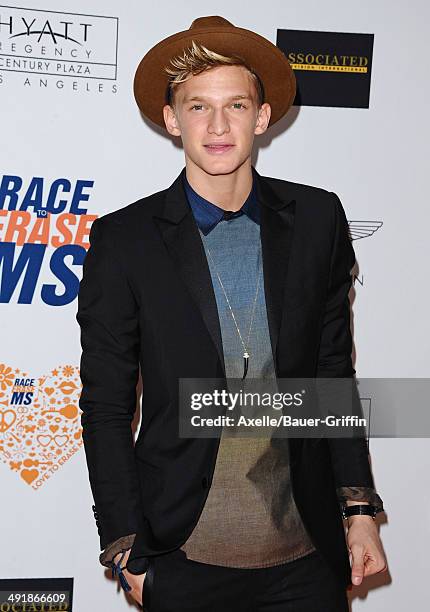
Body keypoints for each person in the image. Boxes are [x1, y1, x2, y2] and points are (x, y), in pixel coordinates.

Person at [76, 15, 388, 612]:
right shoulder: (126, 240)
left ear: (262, 117)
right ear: (172, 119)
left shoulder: (318, 220)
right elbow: (107, 405)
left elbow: (330, 378)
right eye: (198, 107)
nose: (218, 126)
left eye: (236, 105)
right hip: (181, 558)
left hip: (308, 557)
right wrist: (125, 551)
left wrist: (358, 509)